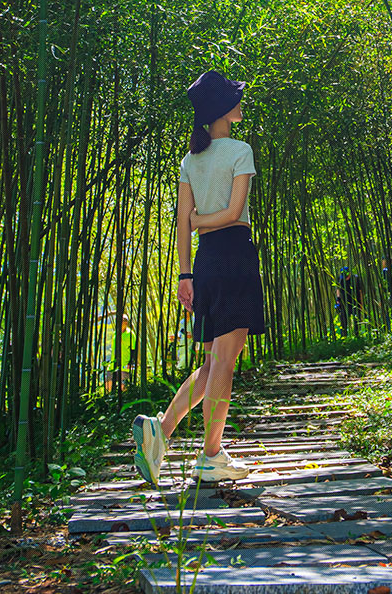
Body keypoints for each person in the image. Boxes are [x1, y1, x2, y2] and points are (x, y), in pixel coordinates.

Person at [131, 70, 265, 486]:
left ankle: (161, 430)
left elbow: (182, 223)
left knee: (211, 361)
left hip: (206, 261)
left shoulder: (191, 160)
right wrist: (203, 221)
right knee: (225, 360)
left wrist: (185, 272)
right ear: (224, 110)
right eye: (236, 99)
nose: (240, 104)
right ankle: (209, 455)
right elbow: (233, 211)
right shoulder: (240, 150)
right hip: (234, 255)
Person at [104, 312, 136, 392]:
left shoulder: (131, 334)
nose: (123, 321)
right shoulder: (115, 333)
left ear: (127, 322)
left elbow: (133, 350)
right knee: (108, 385)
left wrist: (131, 362)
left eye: (125, 320)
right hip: (113, 364)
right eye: (121, 320)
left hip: (124, 365)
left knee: (123, 387)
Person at [335, 266, 364, 333]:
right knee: (343, 322)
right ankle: (344, 338)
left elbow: (360, 292)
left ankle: (357, 336)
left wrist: (361, 304)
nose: (345, 279)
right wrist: (338, 300)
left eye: (346, 277)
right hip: (344, 303)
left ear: (349, 274)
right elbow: (338, 290)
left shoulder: (355, 278)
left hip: (355, 302)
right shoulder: (340, 279)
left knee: (357, 321)